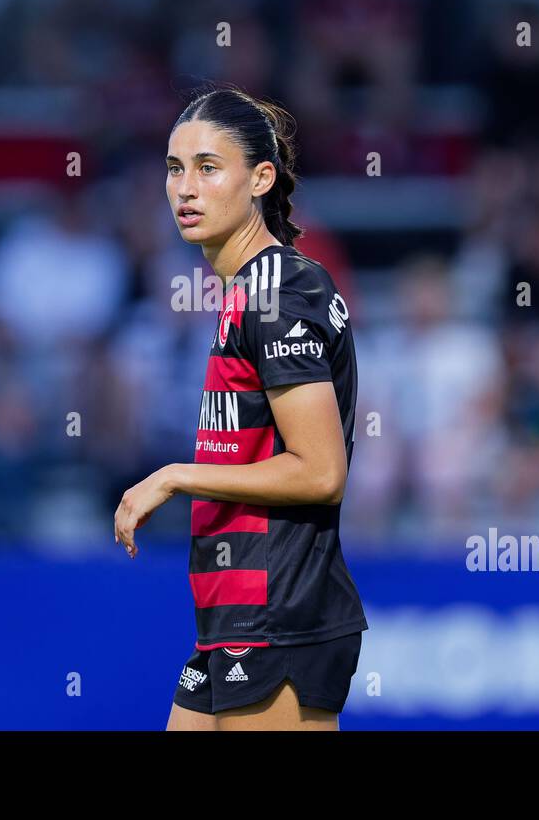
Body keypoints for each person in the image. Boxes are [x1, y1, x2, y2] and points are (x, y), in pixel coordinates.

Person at [113, 87, 367, 731]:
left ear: (260, 178)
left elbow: (319, 472)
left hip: (280, 610)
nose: (185, 189)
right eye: (174, 169)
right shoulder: (245, 293)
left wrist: (176, 475)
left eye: (207, 167)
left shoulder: (279, 290)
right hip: (232, 614)